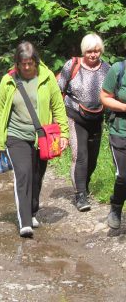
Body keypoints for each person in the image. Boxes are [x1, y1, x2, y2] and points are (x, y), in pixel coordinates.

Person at [0, 41, 69, 238]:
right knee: (24, 174)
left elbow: (58, 106)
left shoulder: (47, 78)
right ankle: (25, 221)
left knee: (37, 176)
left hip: (41, 137)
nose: (26, 67)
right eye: (22, 63)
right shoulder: (8, 80)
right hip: (16, 135)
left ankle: (33, 210)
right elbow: (1, 111)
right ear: (17, 63)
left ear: (36, 61)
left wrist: (64, 133)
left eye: (30, 63)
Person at [57, 33, 109, 211]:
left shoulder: (106, 69)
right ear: (83, 51)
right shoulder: (72, 65)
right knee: (80, 156)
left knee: (92, 159)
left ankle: (84, 186)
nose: (93, 55)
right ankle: (80, 195)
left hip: (96, 117)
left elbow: (111, 94)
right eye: (89, 51)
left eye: (96, 51)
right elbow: (58, 89)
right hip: (74, 115)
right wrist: (57, 117)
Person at [100, 59, 126, 229]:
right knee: (124, 176)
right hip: (121, 133)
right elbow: (104, 97)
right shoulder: (118, 69)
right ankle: (116, 207)